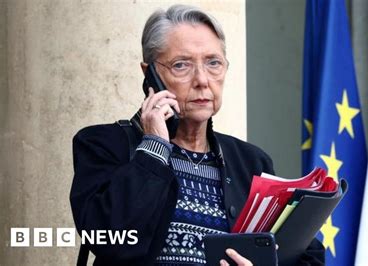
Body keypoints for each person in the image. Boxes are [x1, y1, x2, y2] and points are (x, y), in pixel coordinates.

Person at [70, 4, 325, 266]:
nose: (202, 79)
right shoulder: (102, 144)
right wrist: (154, 149)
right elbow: (107, 240)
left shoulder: (250, 162)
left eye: (213, 63)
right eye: (181, 65)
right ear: (150, 75)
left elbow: (308, 255)